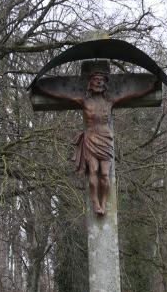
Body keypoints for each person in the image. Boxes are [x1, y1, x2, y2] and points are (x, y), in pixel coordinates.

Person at [34, 70, 159, 216]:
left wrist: (150, 87)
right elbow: (63, 95)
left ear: (105, 83)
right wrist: (42, 89)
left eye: (101, 79)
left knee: (105, 174)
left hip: (106, 139)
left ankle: (104, 204)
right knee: (93, 171)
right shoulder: (84, 101)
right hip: (91, 137)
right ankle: (95, 203)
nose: (99, 81)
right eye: (96, 79)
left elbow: (131, 95)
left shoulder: (109, 101)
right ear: (90, 83)